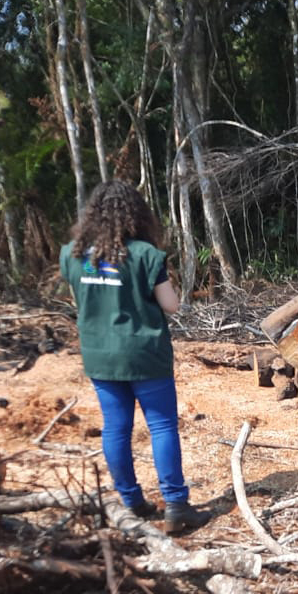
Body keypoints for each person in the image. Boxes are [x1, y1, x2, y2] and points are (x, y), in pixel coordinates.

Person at [59, 180, 209, 533]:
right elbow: (171, 305)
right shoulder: (146, 255)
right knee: (161, 426)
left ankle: (131, 502)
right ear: (136, 215)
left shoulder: (73, 254)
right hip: (144, 354)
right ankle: (176, 505)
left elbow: (79, 300)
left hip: (100, 355)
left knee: (116, 427)